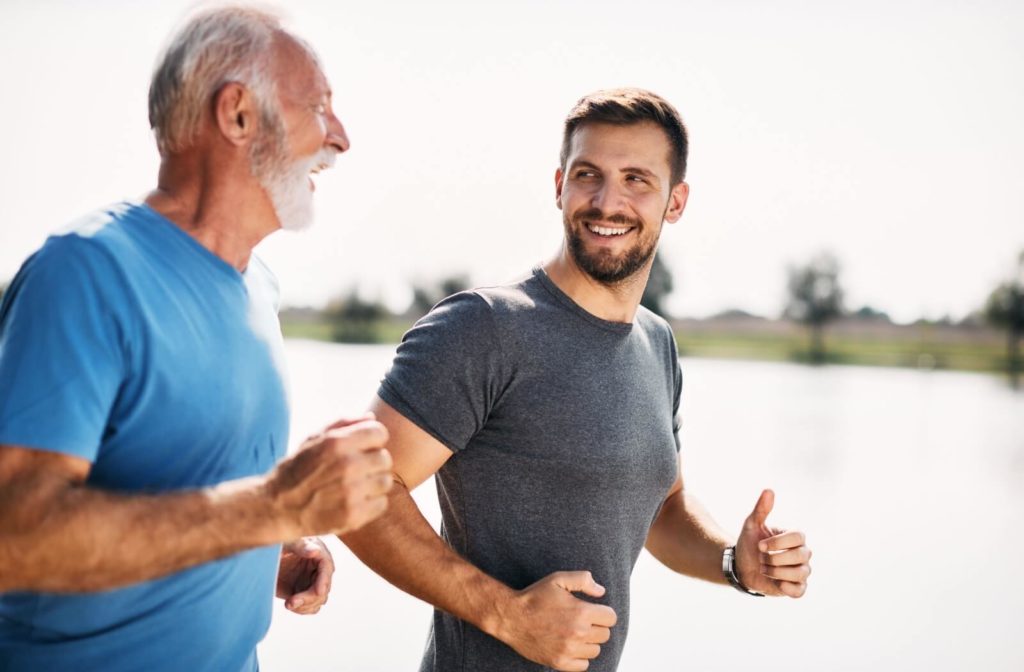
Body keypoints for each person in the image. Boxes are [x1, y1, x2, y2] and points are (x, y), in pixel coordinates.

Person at [341, 88, 813, 672]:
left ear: (676, 200)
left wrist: (733, 563)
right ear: (559, 184)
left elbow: (660, 509)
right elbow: (353, 491)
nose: (607, 201)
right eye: (589, 174)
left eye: (637, 179)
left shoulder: (656, 343)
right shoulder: (484, 327)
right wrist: (505, 614)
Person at [0, 7, 394, 671]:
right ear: (237, 114)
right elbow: (16, 536)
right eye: (319, 106)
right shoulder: (86, 272)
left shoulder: (258, 287)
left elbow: (194, 493)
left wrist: (264, 548)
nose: (341, 138)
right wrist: (274, 506)